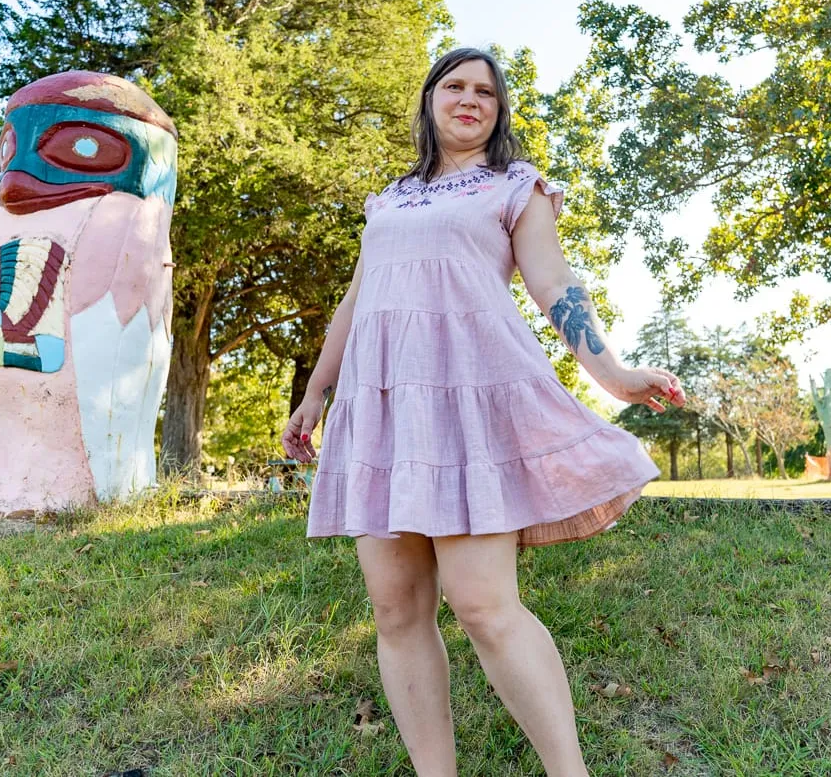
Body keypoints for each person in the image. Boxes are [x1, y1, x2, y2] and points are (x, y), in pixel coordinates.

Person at [281, 47, 686, 777]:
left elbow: (555, 283)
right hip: (383, 406)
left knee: (483, 605)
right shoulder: (389, 198)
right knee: (396, 609)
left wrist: (614, 373)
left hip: (467, 399)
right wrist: (317, 390)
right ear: (430, 97)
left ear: (499, 112)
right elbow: (357, 297)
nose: (471, 99)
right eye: (456, 85)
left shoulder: (513, 186)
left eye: (487, 93)